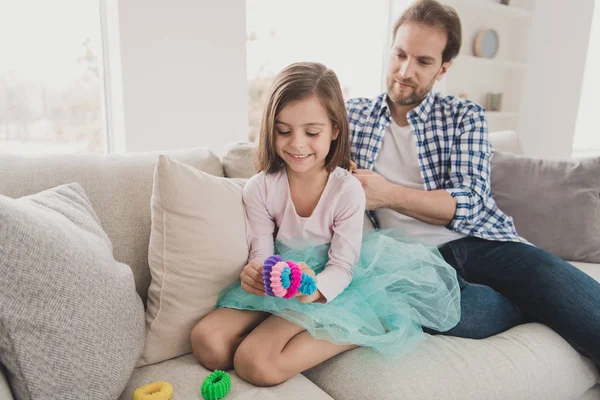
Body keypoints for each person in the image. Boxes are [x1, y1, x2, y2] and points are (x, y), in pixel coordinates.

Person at [347, 0, 600, 365]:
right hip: (416, 260)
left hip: (479, 242)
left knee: (543, 271)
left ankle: (533, 294)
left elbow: (468, 202)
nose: (405, 71)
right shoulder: (353, 115)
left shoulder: (464, 116)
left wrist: (388, 195)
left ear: (443, 68)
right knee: (470, 313)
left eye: (423, 61)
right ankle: (524, 304)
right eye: (400, 54)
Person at [191, 61, 462, 387]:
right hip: (284, 280)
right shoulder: (261, 188)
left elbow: (342, 268)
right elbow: (261, 253)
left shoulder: (346, 190)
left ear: (334, 130)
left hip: (330, 284)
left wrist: (315, 290)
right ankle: (286, 326)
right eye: (284, 130)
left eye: (312, 132)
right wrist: (257, 274)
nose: (297, 144)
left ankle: (361, 324)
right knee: (207, 341)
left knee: (255, 363)